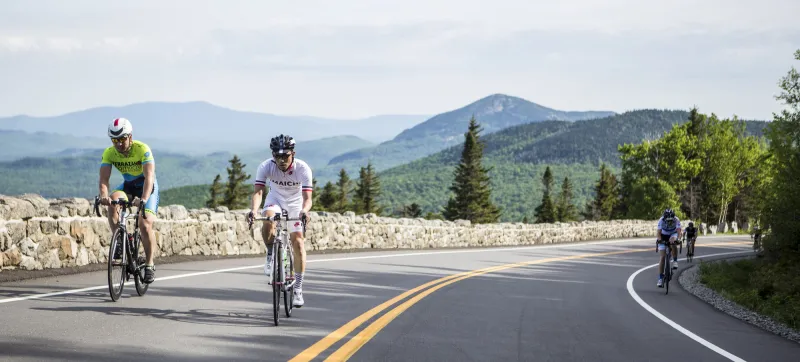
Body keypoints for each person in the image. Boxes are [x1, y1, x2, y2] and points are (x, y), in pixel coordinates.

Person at [247, 134, 313, 307]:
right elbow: (258, 192)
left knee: (298, 243)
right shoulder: (266, 166)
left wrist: (304, 211)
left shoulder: (303, 169)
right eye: (277, 156)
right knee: (268, 219)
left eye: (286, 155)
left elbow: (307, 198)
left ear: (293, 153)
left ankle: (298, 289)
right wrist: (253, 211)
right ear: (273, 155)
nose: (281, 160)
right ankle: (270, 253)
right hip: (275, 199)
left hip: (295, 203)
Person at [98, 118, 159, 284]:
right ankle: (120, 240)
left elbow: (149, 177)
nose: (118, 144)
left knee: (145, 224)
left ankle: (149, 264)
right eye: (114, 140)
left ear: (130, 137)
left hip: (147, 188)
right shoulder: (109, 153)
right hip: (128, 186)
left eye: (122, 139)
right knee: (113, 202)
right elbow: (104, 179)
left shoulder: (142, 149)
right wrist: (104, 196)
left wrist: (144, 199)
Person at [655, 208, 682, 288]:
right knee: (662, 257)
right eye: (668, 220)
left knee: (673, 242)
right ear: (664, 218)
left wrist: (678, 239)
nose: (670, 222)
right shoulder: (661, 220)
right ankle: (660, 278)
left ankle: (675, 261)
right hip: (663, 235)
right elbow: (658, 233)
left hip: (673, 234)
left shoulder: (676, 220)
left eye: (671, 220)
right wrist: (660, 241)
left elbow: (679, 231)